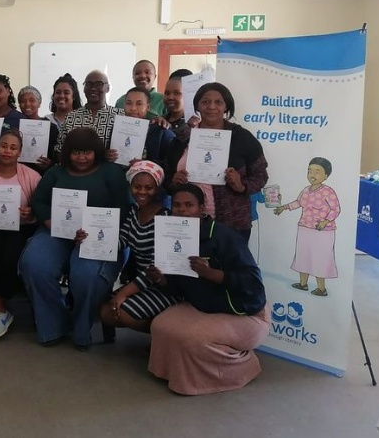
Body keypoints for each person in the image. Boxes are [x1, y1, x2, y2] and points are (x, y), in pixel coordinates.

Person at [146, 184, 269, 395]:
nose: (182, 210)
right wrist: (160, 279)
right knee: (160, 325)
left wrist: (210, 273)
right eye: (177, 205)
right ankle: (175, 373)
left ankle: (240, 367)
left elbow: (253, 284)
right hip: (203, 306)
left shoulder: (225, 236)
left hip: (243, 311)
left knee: (192, 338)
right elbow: (177, 286)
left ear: (202, 208)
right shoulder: (173, 237)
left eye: (189, 205)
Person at [18, 128, 129, 350]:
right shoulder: (55, 172)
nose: (81, 157)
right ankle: (53, 325)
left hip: (98, 235)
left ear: (96, 151)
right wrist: (50, 222)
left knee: (86, 275)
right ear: (67, 152)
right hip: (57, 231)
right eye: (76, 152)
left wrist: (99, 228)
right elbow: (39, 201)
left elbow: (123, 207)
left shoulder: (112, 172)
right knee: (34, 264)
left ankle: (81, 328)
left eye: (87, 152)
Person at [164, 82, 269, 241]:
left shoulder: (242, 137)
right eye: (205, 102)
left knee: (229, 258)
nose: (211, 106)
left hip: (232, 222)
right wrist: (173, 180)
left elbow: (261, 175)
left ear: (226, 107)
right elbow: (166, 172)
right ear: (197, 106)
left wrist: (242, 186)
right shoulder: (183, 137)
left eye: (218, 102)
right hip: (186, 222)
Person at [0, 130, 41, 339]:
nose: (7, 151)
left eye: (13, 147)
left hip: (21, 228)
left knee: (11, 257)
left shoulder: (33, 177)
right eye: (4, 146)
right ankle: (0, 310)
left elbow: (39, 211)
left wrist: (31, 213)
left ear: (20, 152)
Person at [99, 161, 175, 332]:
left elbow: (155, 268)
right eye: (137, 187)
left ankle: (163, 335)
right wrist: (92, 240)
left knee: (122, 312)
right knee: (106, 311)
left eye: (149, 188)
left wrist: (123, 294)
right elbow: (122, 240)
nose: (142, 192)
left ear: (157, 189)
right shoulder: (134, 211)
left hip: (162, 285)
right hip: (142, 282)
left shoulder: (165, 219)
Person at [274, 157, 340, 297]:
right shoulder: (306, 190)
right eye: (310, 171)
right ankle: (303, 284)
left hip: (322, 232)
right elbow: (298, 202)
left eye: (317, 172)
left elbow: (336, 209)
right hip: (304, 228)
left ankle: (321, 289)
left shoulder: (328, 191)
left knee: (320, 258)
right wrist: (284, 207)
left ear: (326, 176)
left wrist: (325, 221)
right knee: (303, 256)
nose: (312, 175)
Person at [53, 70, 124, 161]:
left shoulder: (120, 116)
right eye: (89, 84)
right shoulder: (71, 117)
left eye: (99, 84)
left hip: (108, 168)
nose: (93, 88)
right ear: (84, 88)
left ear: (107, 88)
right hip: (75, 168)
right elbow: (59, 151)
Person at [121, 87, 175, 168]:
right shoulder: (116, 129)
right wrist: (108, 155)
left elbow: (172, 164)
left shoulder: (161, 132)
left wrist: (147, 164)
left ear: (148, 107)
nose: (133, 108)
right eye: (129, 103)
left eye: (139, 104)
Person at [16, 85, 58, 173]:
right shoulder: (15, 126)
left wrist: (49, 164)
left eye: (32, 100)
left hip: (42, 175)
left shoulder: (51, 128)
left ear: (39, 103)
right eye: (23, 101)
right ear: (19, 105)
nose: (27, 104)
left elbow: (56, 156)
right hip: (19, 174)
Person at [160, 68, 195, 136]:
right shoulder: (159, 121)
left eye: (176, 93)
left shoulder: (193, 124)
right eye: (167, 93)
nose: (170, 97)